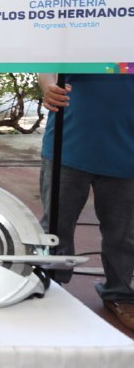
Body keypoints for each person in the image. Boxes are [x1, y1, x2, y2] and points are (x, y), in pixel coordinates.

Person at [39, 73, 134, 331]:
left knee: (123, 235)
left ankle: (120, 295)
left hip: (127, 152)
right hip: (69, 142)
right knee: (55, 229)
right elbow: (49, 63)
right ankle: (49, 286)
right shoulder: (76, 30)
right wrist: (48, 86)